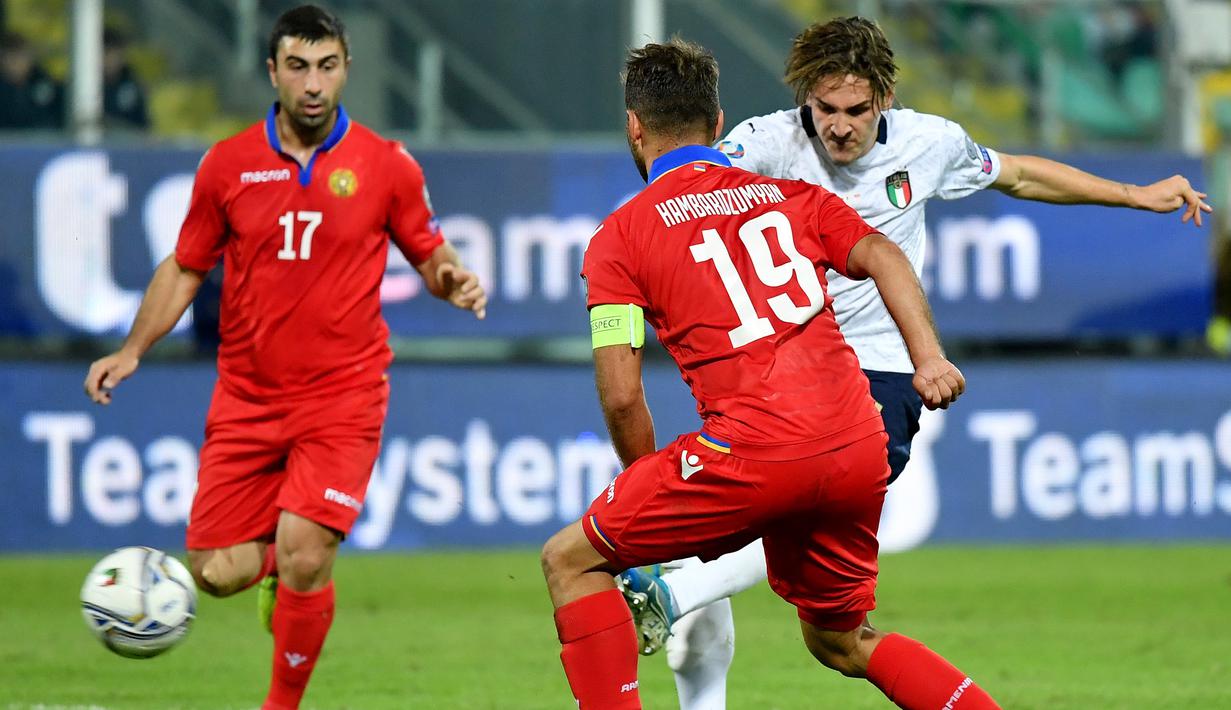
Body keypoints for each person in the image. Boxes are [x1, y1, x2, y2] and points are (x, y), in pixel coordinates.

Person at [618, 16, 1211, 710]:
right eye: (825, 110)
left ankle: (672, 592)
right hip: (777, 374)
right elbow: (678, 198)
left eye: (856, 112)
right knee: (819, 625)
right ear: (805, 100)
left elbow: (1018, 176)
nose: (839, 127)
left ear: (886, 99)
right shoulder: (762, 144)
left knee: (780, 515)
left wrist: (1133, 194)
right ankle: (690, 637)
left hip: (877, 373)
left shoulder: (930, 143)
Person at [540, 37, 1000, 710]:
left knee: (568, 560)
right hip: (853, 443)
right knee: (841, 643)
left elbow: (619, 392)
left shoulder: (620, 237)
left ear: (635, 128)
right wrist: (926, 356)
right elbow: (882, 254)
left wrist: (646, 495)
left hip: (751, 450)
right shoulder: (791, 198)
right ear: (717, 122)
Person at [83, 6, 486, 709]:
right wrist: (132, 349)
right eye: (297, 66)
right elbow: (185, 267)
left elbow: (428, 249)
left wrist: (450, 278)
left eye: (326, 66)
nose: (313, 84)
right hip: (247, 396)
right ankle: (279, 563)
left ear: (345, 69)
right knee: (214, 571)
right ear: (271, 71)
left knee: (308, 549)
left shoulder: (386, 164)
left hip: (344, 392)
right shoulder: (228, 165)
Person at [0, 31, 64, 130]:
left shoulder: (46, 83)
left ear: (30, 57)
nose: (16, 63)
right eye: (10, 58)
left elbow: (58, 119)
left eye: (20, 56)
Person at [102, 27, 150, 130]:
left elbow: (142, 128)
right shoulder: (79, 86)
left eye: (115, 54)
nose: (110, 60)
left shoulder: (134, 86)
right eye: (106, 53)